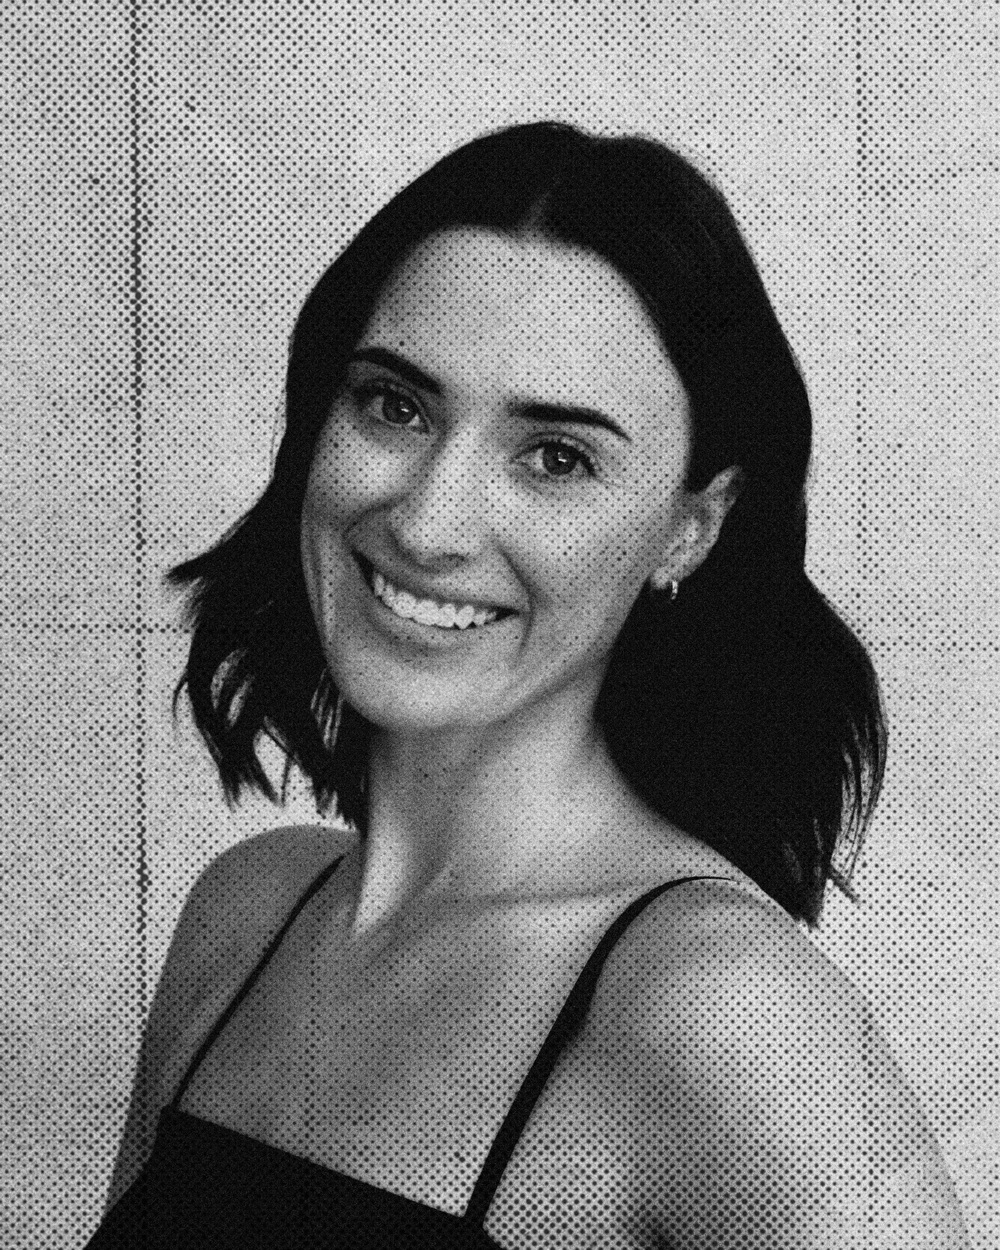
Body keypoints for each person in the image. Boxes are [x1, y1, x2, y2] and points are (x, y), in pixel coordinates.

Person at [87, 122, 968, 1248]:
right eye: (394, 405)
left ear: (692, 529)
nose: (428, 522)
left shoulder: (725, 1008)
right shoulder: (246, 913)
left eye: (556, 456)